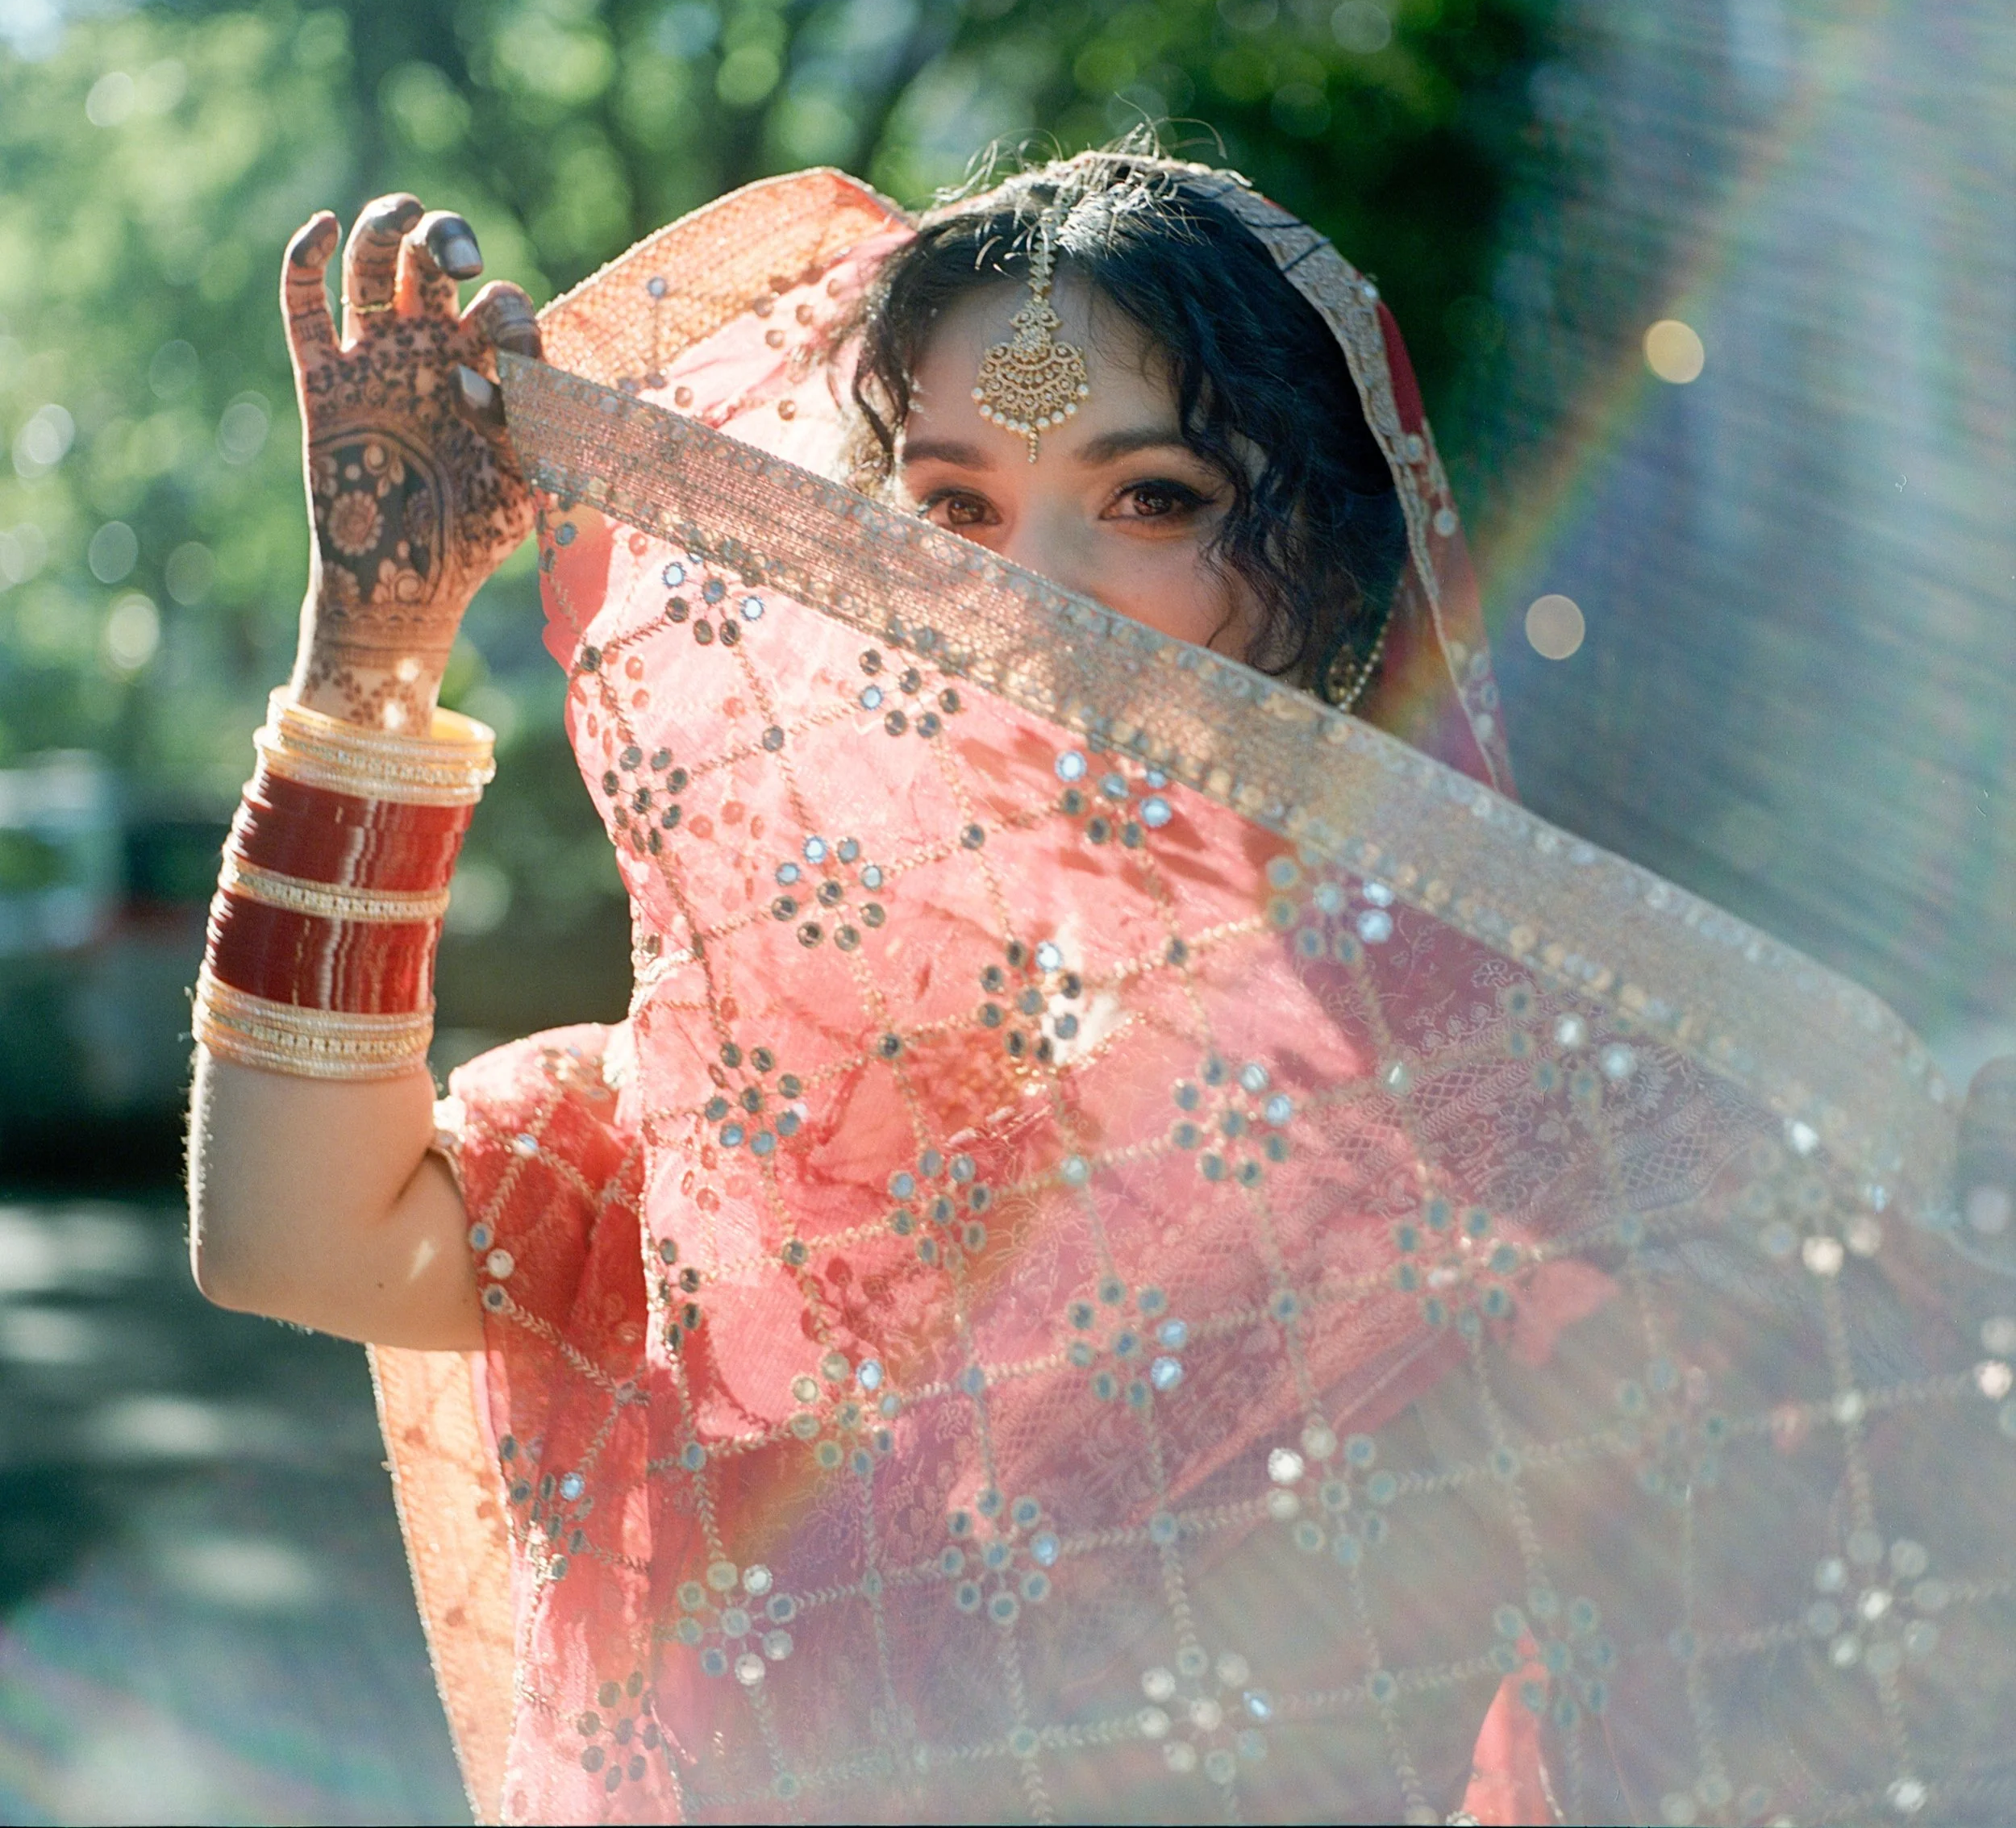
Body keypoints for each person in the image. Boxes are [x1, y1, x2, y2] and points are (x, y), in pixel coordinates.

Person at [186, 148, 2006, 1826]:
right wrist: (371, 657)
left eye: (1148, 495)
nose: (1027, 598)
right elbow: (290, 1239)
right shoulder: (739, 1113)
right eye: (948, 508)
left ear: (1315, 572)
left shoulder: (1494, 1122)